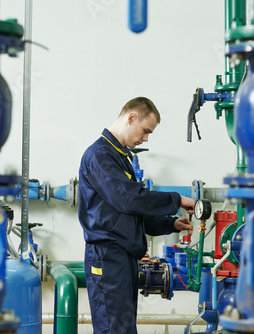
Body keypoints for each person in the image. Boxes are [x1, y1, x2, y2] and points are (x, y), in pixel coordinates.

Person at [78, 97, 196, 333]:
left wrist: (172, 224)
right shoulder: (100, 156)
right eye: (145, 131)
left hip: (122, 259)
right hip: (108, 257)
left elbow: (131, 211)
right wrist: (176, 199)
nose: (145, 138)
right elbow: (129, 198)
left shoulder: (120, 158)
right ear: (131, 117)